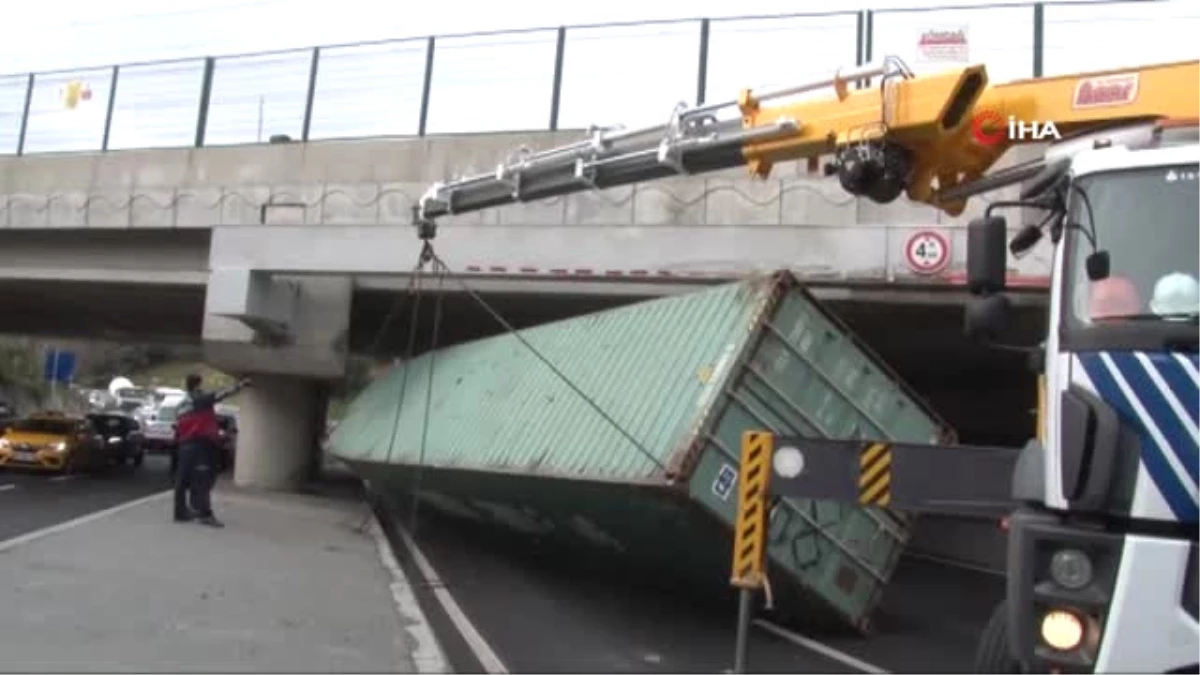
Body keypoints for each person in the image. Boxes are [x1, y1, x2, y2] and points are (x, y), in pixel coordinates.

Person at [174, 374, 251, 527]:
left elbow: (179, 425)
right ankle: (205, 514)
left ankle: (181, 512)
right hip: (201, 444)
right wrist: (242, 384)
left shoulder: (181, 404)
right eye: (201, 386)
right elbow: (222, 394)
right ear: (197, 386)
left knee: (182, 480)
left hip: (184, 445)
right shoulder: (201, 399)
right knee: (203, 479)